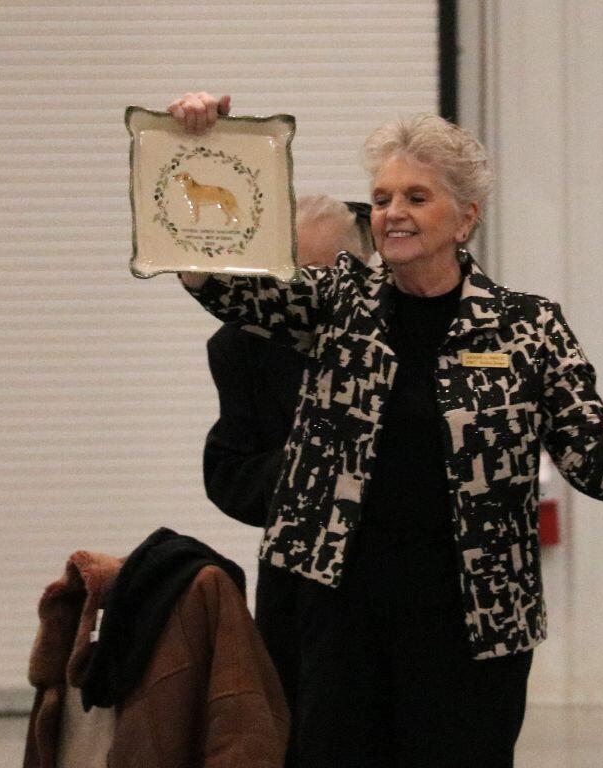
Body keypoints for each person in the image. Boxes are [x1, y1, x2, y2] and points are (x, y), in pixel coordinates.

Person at [173, 94, 603, 767]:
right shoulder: (336, 302)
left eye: (415, 196)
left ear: (466, 217)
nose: (392, 213)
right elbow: (214, 282)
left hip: (473, 631)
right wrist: (193, 144)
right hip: (339, 620)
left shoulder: (527, 328)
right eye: (381, 198)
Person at [197, 190, 373, 768]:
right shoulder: (240, 343)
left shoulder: (394, 333)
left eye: (319, 276)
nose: (303, 294)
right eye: (290, 275)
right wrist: (304, 472)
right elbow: (227, 470)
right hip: (298, 576)